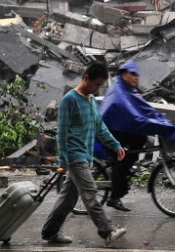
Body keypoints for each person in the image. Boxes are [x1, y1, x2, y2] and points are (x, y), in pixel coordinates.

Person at [41, 62, 127, 246]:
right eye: (95, 84)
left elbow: (100, 128)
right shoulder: (69, 100)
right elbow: (61, 133)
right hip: (74, 156)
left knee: (68, 199)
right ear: (85, 78)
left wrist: (116, 145)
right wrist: (63, 161)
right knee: (90, 193)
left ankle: (50, 232)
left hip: (85, 156)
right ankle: (108, 231)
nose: (96, 89)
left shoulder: (91, 100)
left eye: (100, 85)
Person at [98, 60, 175, 212]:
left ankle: (124, 173)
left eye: (137, 75)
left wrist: (162, 120)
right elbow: (136, 117)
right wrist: (158, 126)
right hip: (109, 133)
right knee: (122, 159)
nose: (136, 78)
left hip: (120, 130)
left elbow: (146, 109)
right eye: (132, 74)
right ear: (124, 74)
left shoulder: (129, 90)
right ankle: (114, 197)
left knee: (140, 139)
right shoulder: (120, 92)